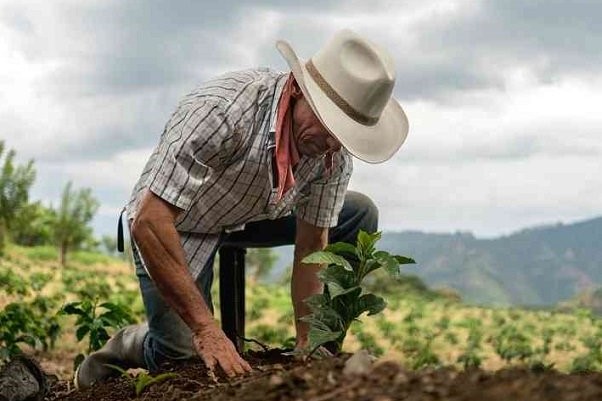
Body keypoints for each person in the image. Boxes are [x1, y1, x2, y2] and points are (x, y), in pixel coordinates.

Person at [75, 29, 409, 388]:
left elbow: (313, 246)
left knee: (359, 212)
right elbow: (150, 220)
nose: (331, 145)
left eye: (343, 136)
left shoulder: (332, 154)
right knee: (183, 356)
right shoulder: (222, 111)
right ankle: (129, 344)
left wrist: (307, 348)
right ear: (298, 90)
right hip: (178, 222)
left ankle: (323, 355)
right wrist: (205, 329)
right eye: (328, 127)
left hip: (252, 213)